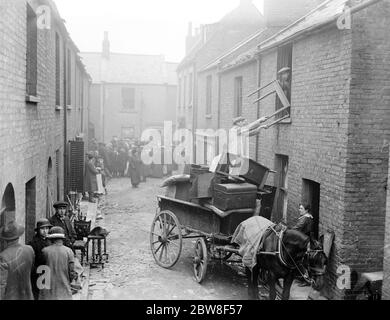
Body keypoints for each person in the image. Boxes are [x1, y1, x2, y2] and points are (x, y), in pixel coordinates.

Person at [39, 227, 76, 300]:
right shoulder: (69, 251)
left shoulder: (44, 251)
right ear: (62, 239)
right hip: (64, 289)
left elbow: (40, 271)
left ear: (51, 239)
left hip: (48, 291)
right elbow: (72, 273)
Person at [0, 221, 35, 300]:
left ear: (5, 239)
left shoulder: (3, 256)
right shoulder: (29, 250)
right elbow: (30, 269)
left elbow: (1, 284)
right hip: (28, 296)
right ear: (18, 236)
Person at [28, 218, 52, 300]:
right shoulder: (33, 243)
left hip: (49, 271)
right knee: (38, 294)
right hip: (38, 272)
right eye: (42, 229)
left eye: (47, 228)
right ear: (38, 230)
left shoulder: (50, 241)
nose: (45, 231)